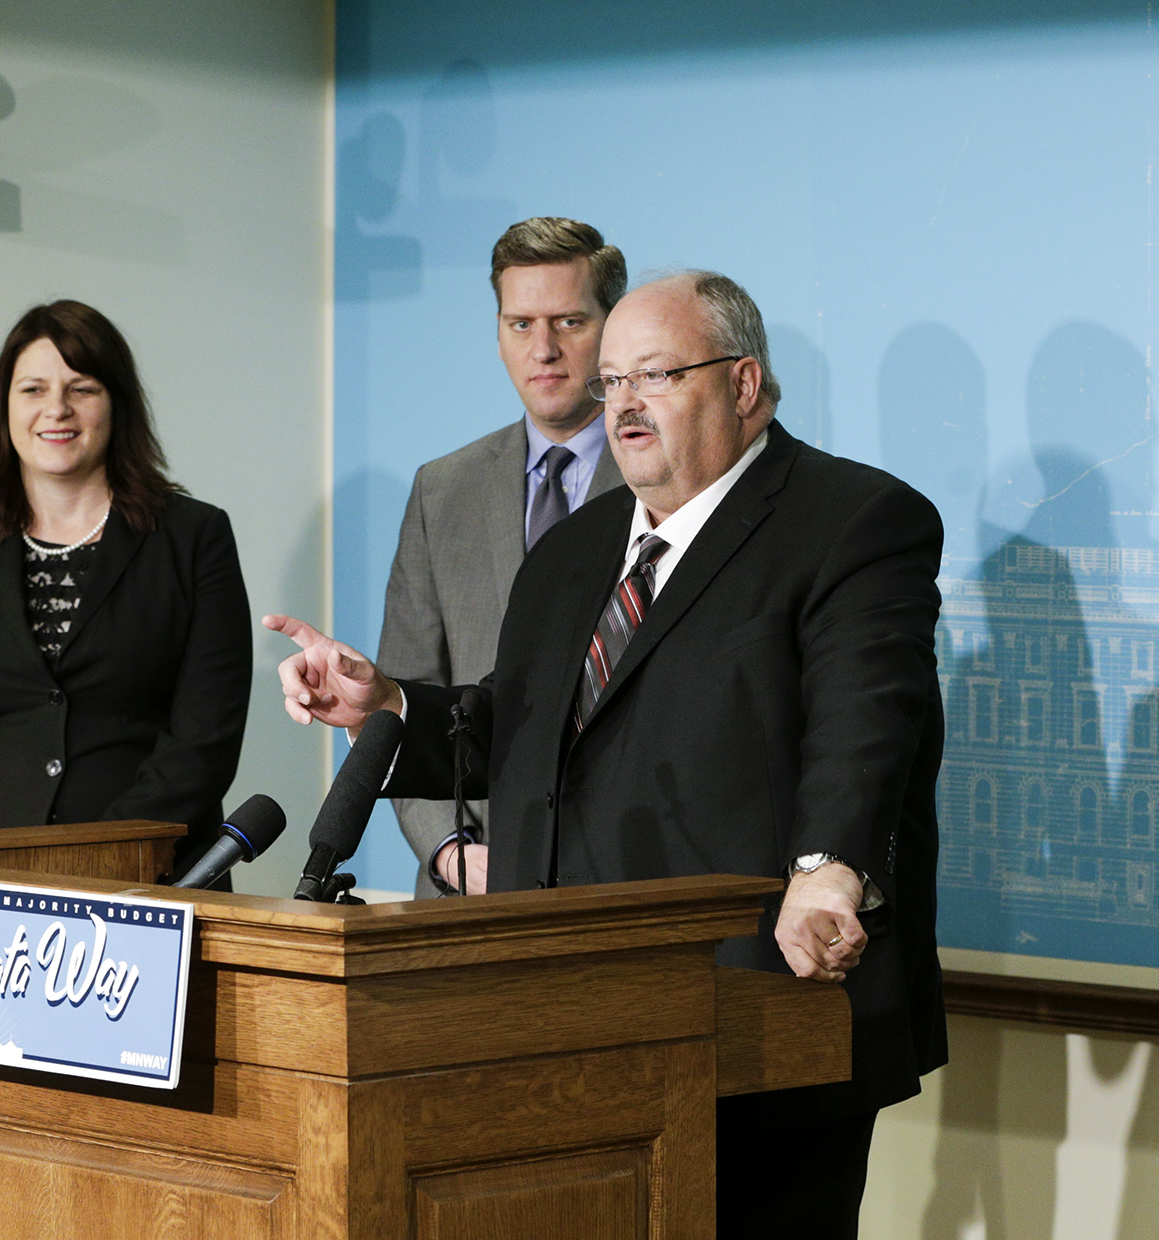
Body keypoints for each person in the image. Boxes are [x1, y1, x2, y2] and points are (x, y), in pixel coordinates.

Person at [266, 270, 947, 1238]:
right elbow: (523, 727)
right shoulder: (579, 546)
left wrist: (826, 872)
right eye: (612, 382)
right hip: (559, 1013)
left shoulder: (853, 521)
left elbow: (866, 723)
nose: (622, 402)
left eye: (655, 376)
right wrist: (387, 707)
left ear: (744, 384)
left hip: (753, 1008)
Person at [0, 300, 253, 881]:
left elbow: (205, 739)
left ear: (117, 403)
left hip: (156, 879)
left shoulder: (194, 537)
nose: (56, 408)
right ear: (4, 407)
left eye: (81, 388)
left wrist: (101, 860)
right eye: (33, 389)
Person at [378, 217, 627, 897]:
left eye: (569, 322)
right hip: (468, 890)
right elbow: (404, 697)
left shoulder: (659, 481)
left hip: (617, 884)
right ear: (497, 335)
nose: (542, 349)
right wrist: (451, 852)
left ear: (615, 328)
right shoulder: (443, 489)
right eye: (520, 324)